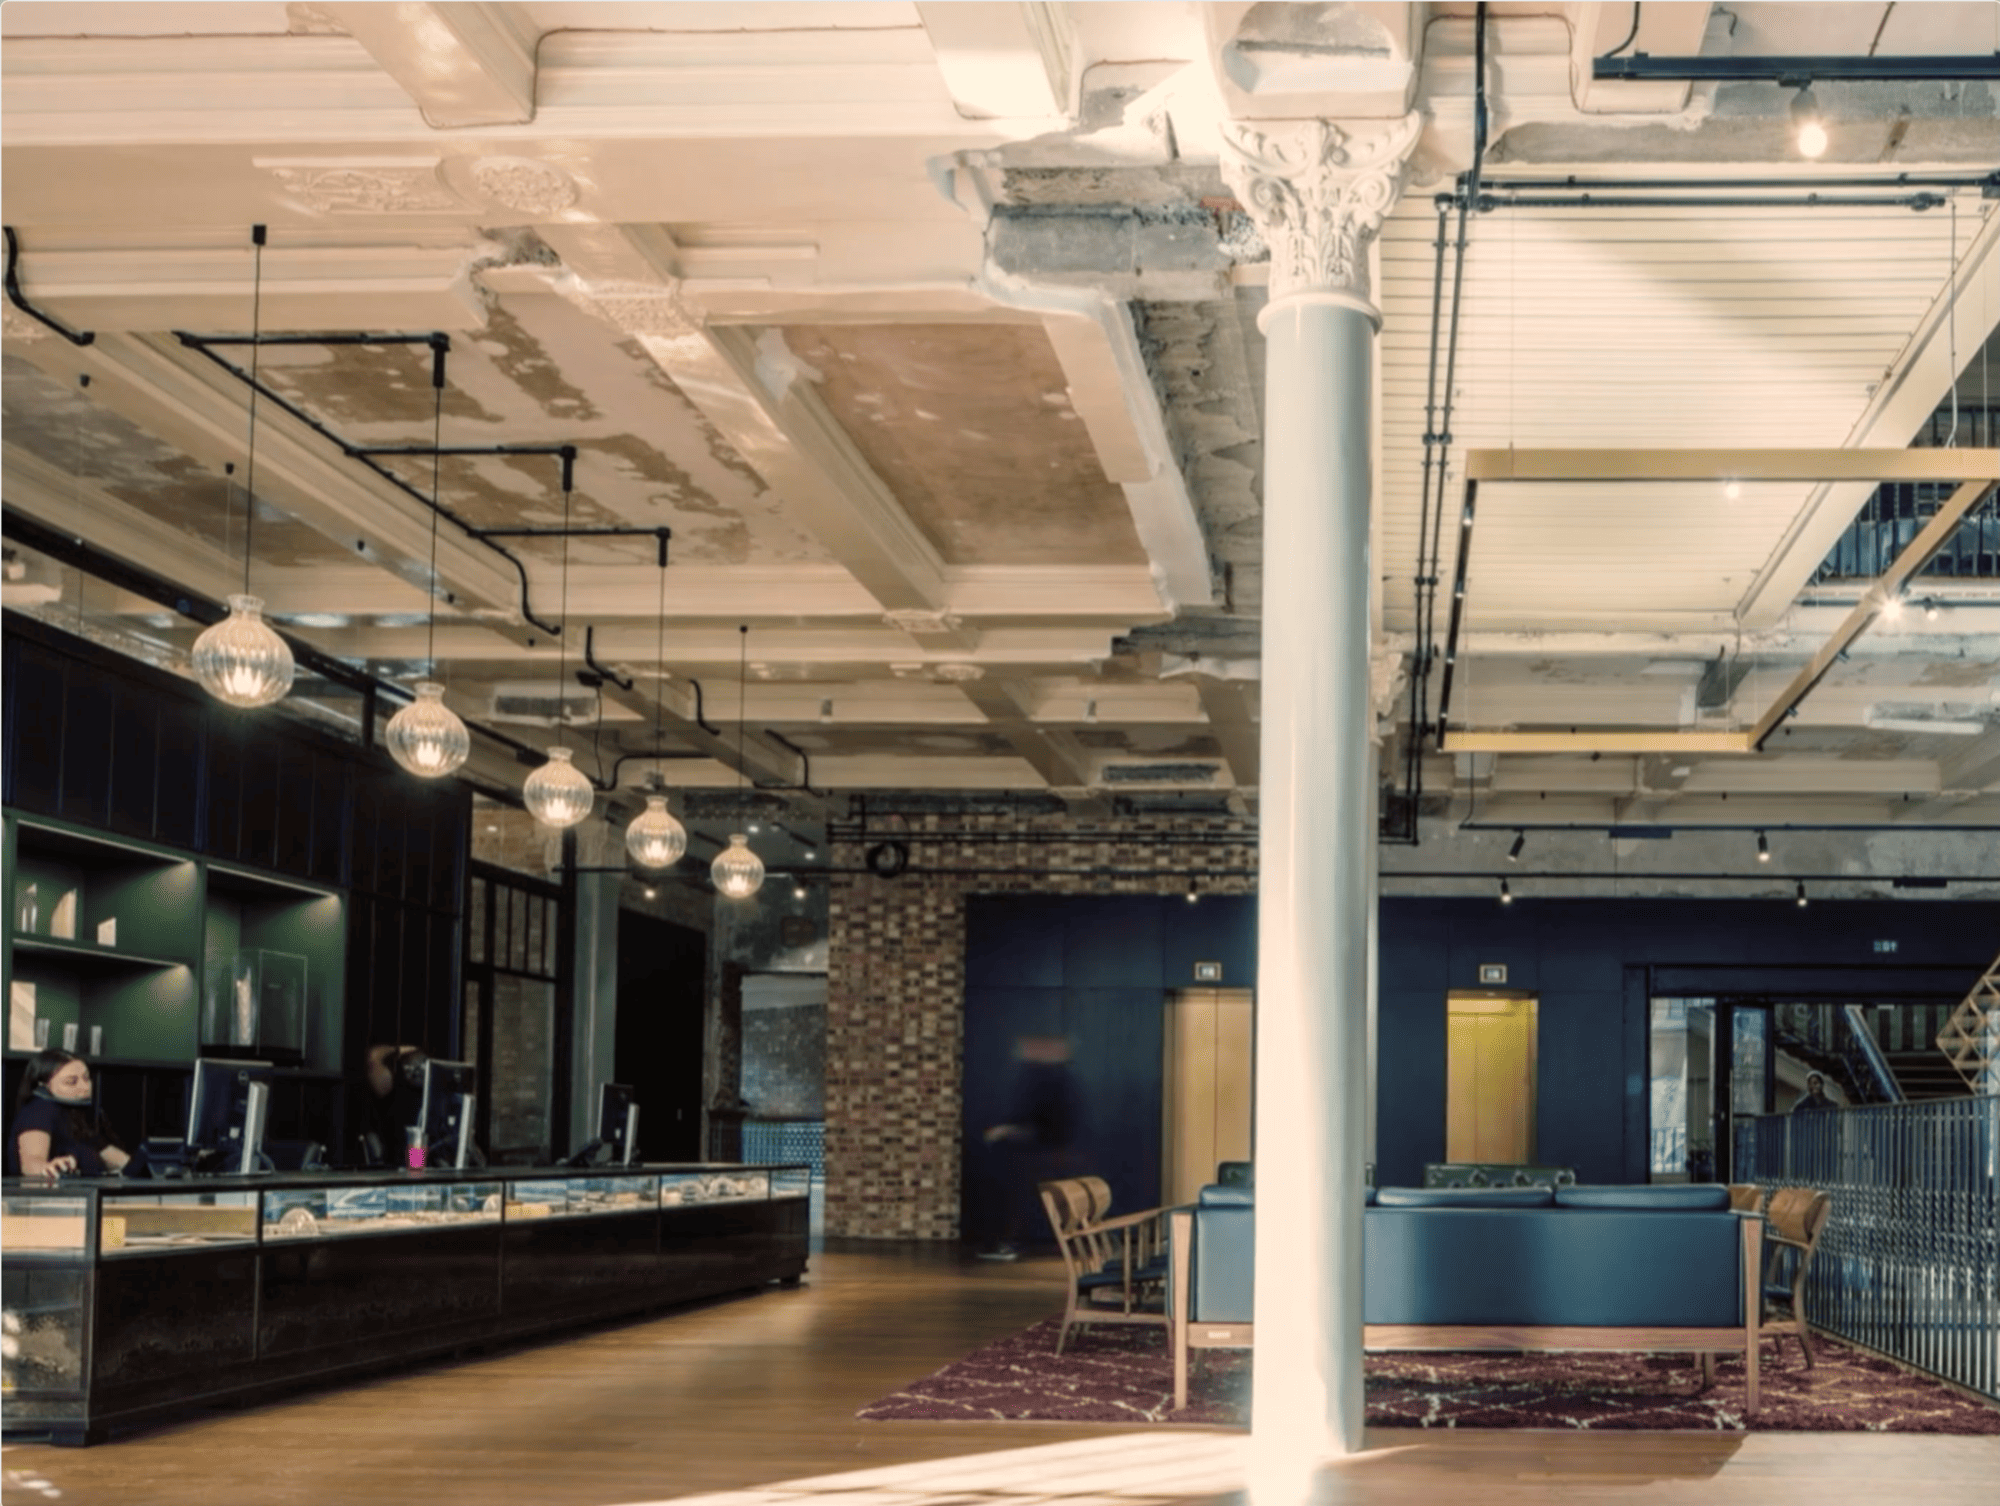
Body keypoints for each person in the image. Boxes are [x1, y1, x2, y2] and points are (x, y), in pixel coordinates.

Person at [977, 1034, 1078, 1260]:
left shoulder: (1047, 1084)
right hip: (1048, 1151)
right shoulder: (1056, 1081)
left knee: (1019, 1198)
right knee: (1030, 1199)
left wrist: (1004, 1132)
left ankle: (1009, 1243)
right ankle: (1013, 1242)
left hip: (1041, 1153)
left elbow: (1041, 1126)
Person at [9, 1048, 132, 1179]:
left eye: (86, 1078)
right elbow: (32, 1162)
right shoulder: (39, 1110)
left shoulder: (76, 1116)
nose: (85, 1087)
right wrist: (50, 1168)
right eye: (71, 1082)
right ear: (43, 1086)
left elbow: (118, 1160)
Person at [362, 1043, 427, 1164]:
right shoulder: (393, 1093)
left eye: (422, 1062)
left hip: (432, 1164)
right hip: (402, 1164)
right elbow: (374, 1056)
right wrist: (398, 1050)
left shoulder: (432, 1097)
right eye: (409, 1064)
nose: (416, 1069)